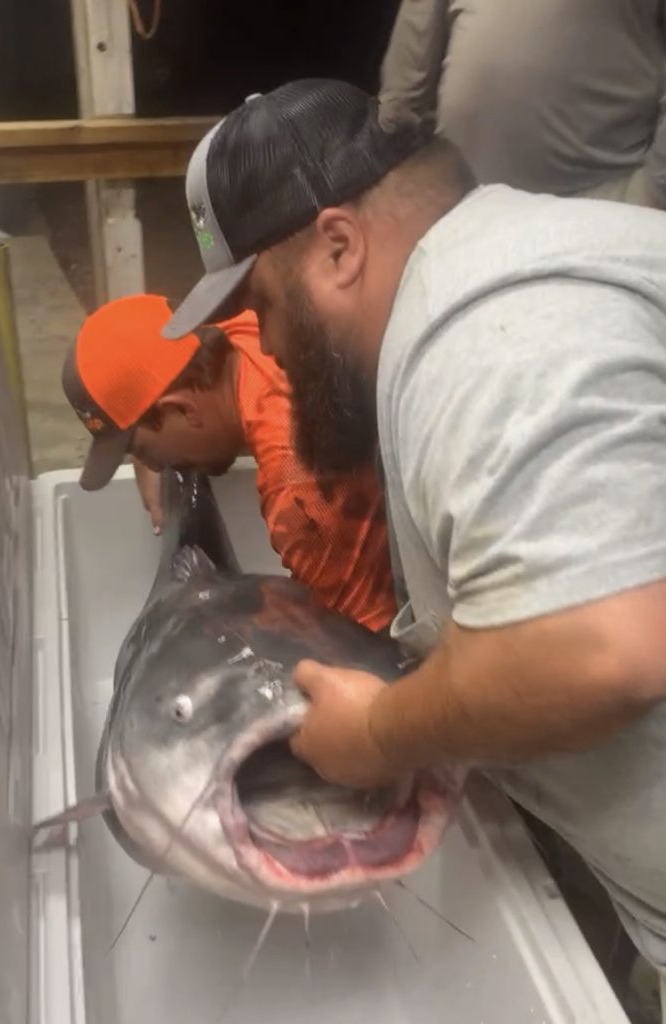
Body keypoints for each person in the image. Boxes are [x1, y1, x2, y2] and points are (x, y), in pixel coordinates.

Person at [161, 79, 666, 1005]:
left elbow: (604, 651)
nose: (265, 345)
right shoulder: (504, 264)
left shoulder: (485, 336)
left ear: (339, 245)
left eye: (264, 305)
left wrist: (380, 736)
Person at [60, 292, 396, 633]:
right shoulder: (249, 318)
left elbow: (365, 647)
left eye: (142, 449)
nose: (156, 467)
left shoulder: (298, 489)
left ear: (183, 409)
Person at [378, 0, 666, 207]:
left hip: (594, 207)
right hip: (455, 200)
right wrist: (397, 151)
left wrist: (650, 198)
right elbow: (407, 80)